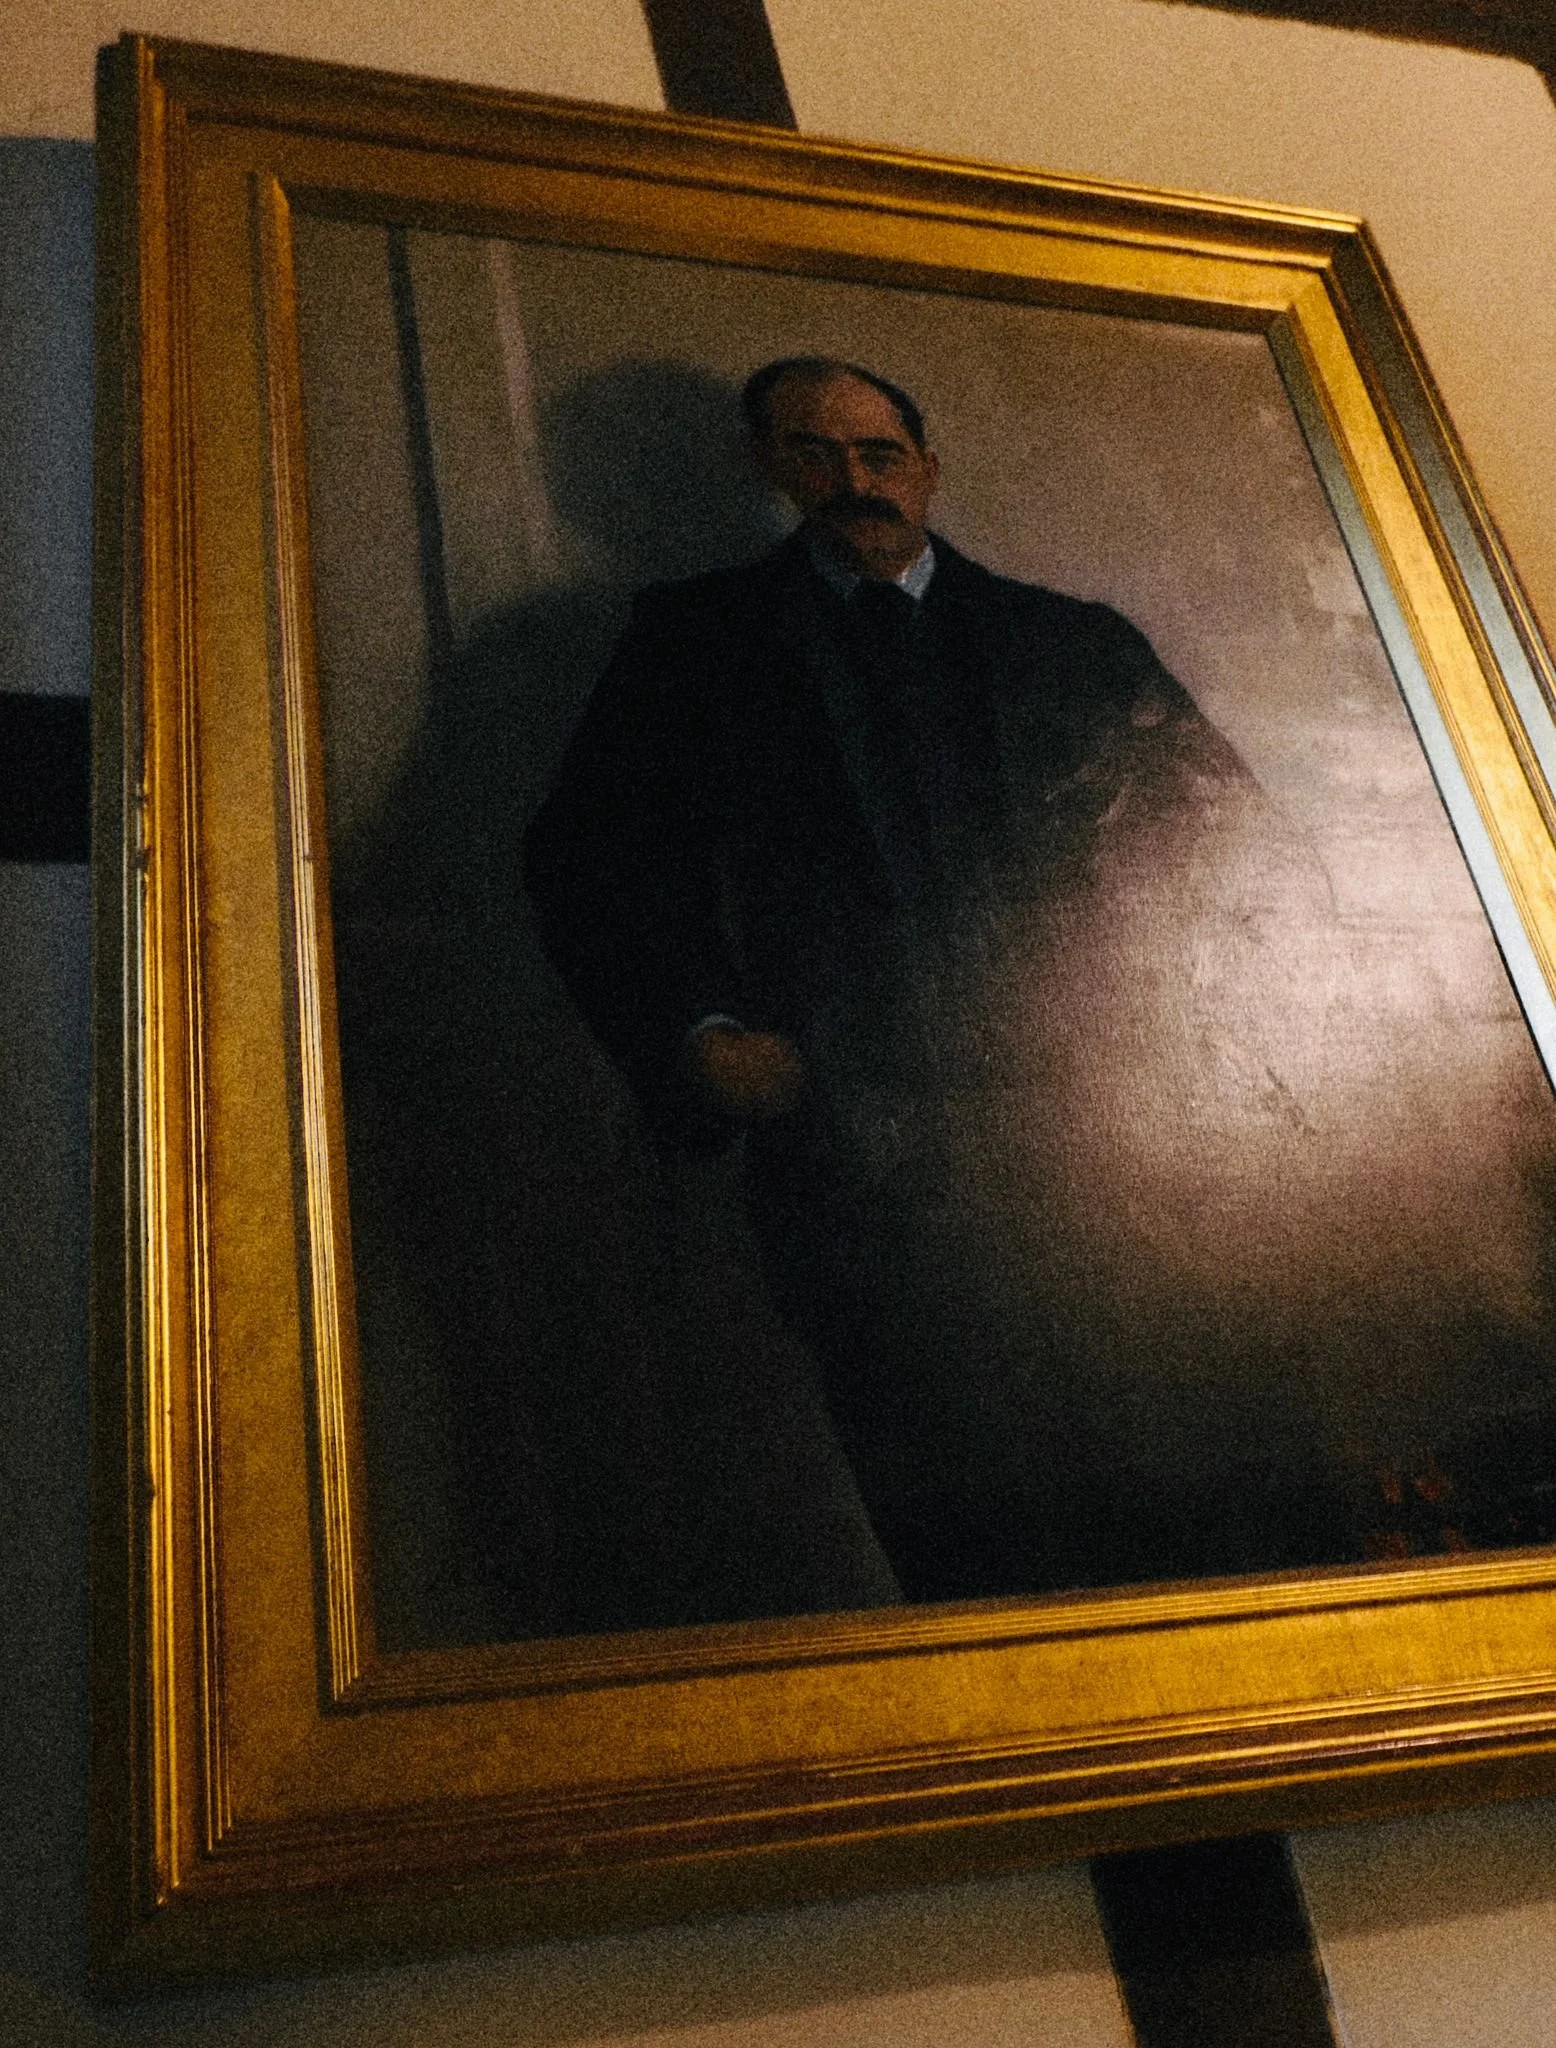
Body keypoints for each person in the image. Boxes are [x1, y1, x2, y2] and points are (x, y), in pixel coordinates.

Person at [525, 355, 1354, 1602]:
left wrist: (1217, 1059)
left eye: (877, 454)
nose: (851, 481)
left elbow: (1240, 851)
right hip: (868, 1159)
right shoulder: (692, 645)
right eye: (814, 453)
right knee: (974, 1541)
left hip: (1123, 1162)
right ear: (766, 468)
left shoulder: (1069, 641)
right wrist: (702, 1035)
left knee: (1211, 1507)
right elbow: (591, 861)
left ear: (925, 467)